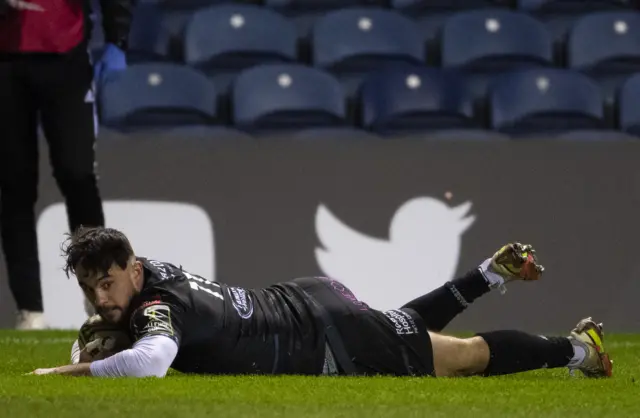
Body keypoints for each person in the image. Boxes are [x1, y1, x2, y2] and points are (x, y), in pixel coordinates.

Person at [30, 226, 612, 378]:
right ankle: (486, 275)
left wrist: (71, 368)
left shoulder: (156, 306)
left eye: (107, 284)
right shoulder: (152, 270)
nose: (100, 298)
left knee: (461, 358)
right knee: (405, 333)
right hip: (311, 303)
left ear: (132, 271)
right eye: (90, 288)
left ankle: (578, 351)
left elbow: (150, 361)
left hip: (324, 339)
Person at [0, 0, 133, 328]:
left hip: (67, 55)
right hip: (5, 60)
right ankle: (30, 311)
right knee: (14, 184)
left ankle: (101, 297)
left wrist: (117, 40)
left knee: (79, 175)